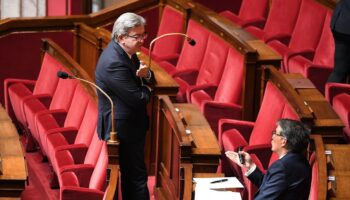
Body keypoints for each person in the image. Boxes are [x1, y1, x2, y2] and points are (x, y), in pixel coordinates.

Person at [95, 12, 154, 200]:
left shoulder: (125, 52)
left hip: (129, 125)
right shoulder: (114, 62)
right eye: (137, 36)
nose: (142, 40)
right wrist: (147, 89)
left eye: (143, 35)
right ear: (121, 37)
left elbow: (145, 74)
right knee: (135, 177)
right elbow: (138, 98)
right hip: (122, 128)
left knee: (133, 176)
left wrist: (147, 76)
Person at [226, 119, 312, 200]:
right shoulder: (297, 160)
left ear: (283, 141)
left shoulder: (283, 167)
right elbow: (270, 185)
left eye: (275, 133)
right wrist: (250, 165)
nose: (272, 136)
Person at [328, 0, 350, 83]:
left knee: (339, 71)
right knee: (340, 71)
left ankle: (329, 95)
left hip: (340, 21)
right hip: (346, 28)